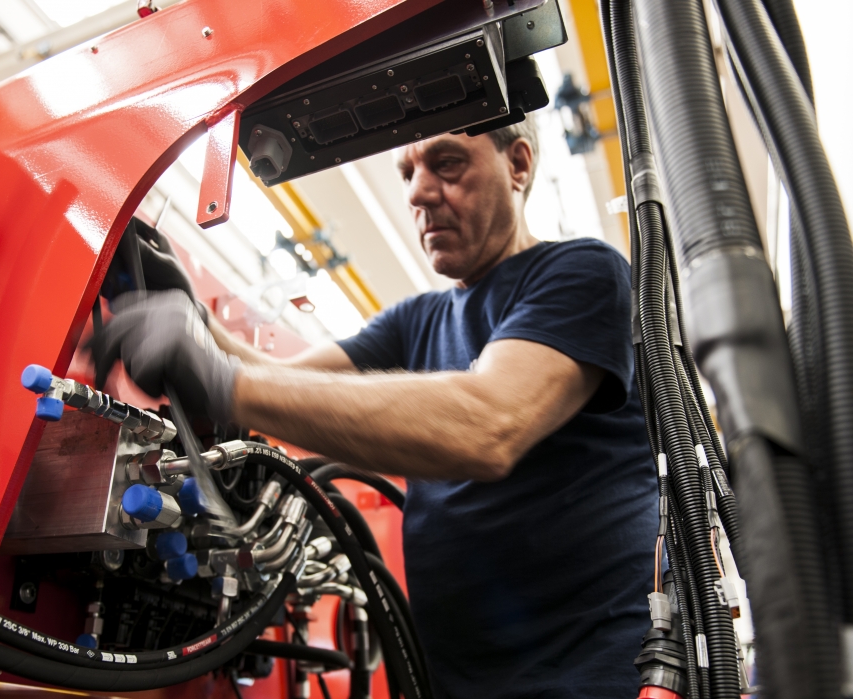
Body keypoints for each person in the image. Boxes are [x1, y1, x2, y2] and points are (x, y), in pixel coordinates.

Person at [94, 120, 658, 699]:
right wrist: (191, 316)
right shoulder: (415, 320)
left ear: (518, 165)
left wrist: (217, 375)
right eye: (409, 172)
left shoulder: (581, 273)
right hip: (462, 682)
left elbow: (490, 425)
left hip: (596, 675)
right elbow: (279, 382)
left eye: (446, 163)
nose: (416, 191)